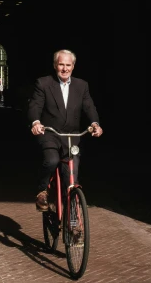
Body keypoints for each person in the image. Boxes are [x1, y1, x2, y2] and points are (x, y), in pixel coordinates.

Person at [28, 49, 103, 211]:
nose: (64, 68)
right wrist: (36, 123)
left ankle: (73, 217)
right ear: (55, 65)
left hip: (72, 136)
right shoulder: (44, 83)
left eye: (68, 65)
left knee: (71, 176)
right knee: (52, 161)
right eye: (61, 64)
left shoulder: (82, 85)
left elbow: (89, 106)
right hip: (49, 134)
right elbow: (35, 105)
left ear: (73, 66)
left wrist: (95, 124)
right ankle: (42, 191)